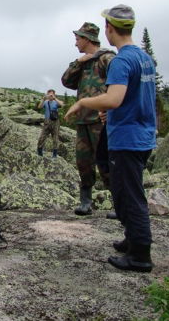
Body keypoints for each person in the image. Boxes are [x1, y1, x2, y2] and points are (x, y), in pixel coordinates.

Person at [65, 4, 156, 273]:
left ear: (108, 29)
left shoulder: (120, 60)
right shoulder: (143, 58)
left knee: (130, 196)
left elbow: (114, 98)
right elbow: (134, 97)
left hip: (126, 138)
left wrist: (86, 103)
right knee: (126, 190)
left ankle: (140, 255)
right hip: (142, 134)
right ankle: (132, 240)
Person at [61, 22, 116, 216]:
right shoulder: (83, 62)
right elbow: (66, 81)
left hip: (102, 120)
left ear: (87, 39)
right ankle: (86, 202)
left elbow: (119, 84)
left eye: (78, 39)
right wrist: (79, 62)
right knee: (83, 163)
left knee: (107, 163)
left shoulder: (107, 59)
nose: (76, 43)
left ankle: (119, 203)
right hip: (83, 120)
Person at [36, 89, 64, 157]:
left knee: (55, 138)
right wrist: (43, 99)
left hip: (55, 122)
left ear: (54, 94)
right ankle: (39, 151)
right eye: (49, 94)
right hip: (47, 121)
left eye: (52, 94)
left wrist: (55, 98)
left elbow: (62, 104)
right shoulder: (45, 102)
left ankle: (54, 154)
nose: (50, 96)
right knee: (42, 137)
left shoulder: (56, 102)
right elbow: (39, 107)